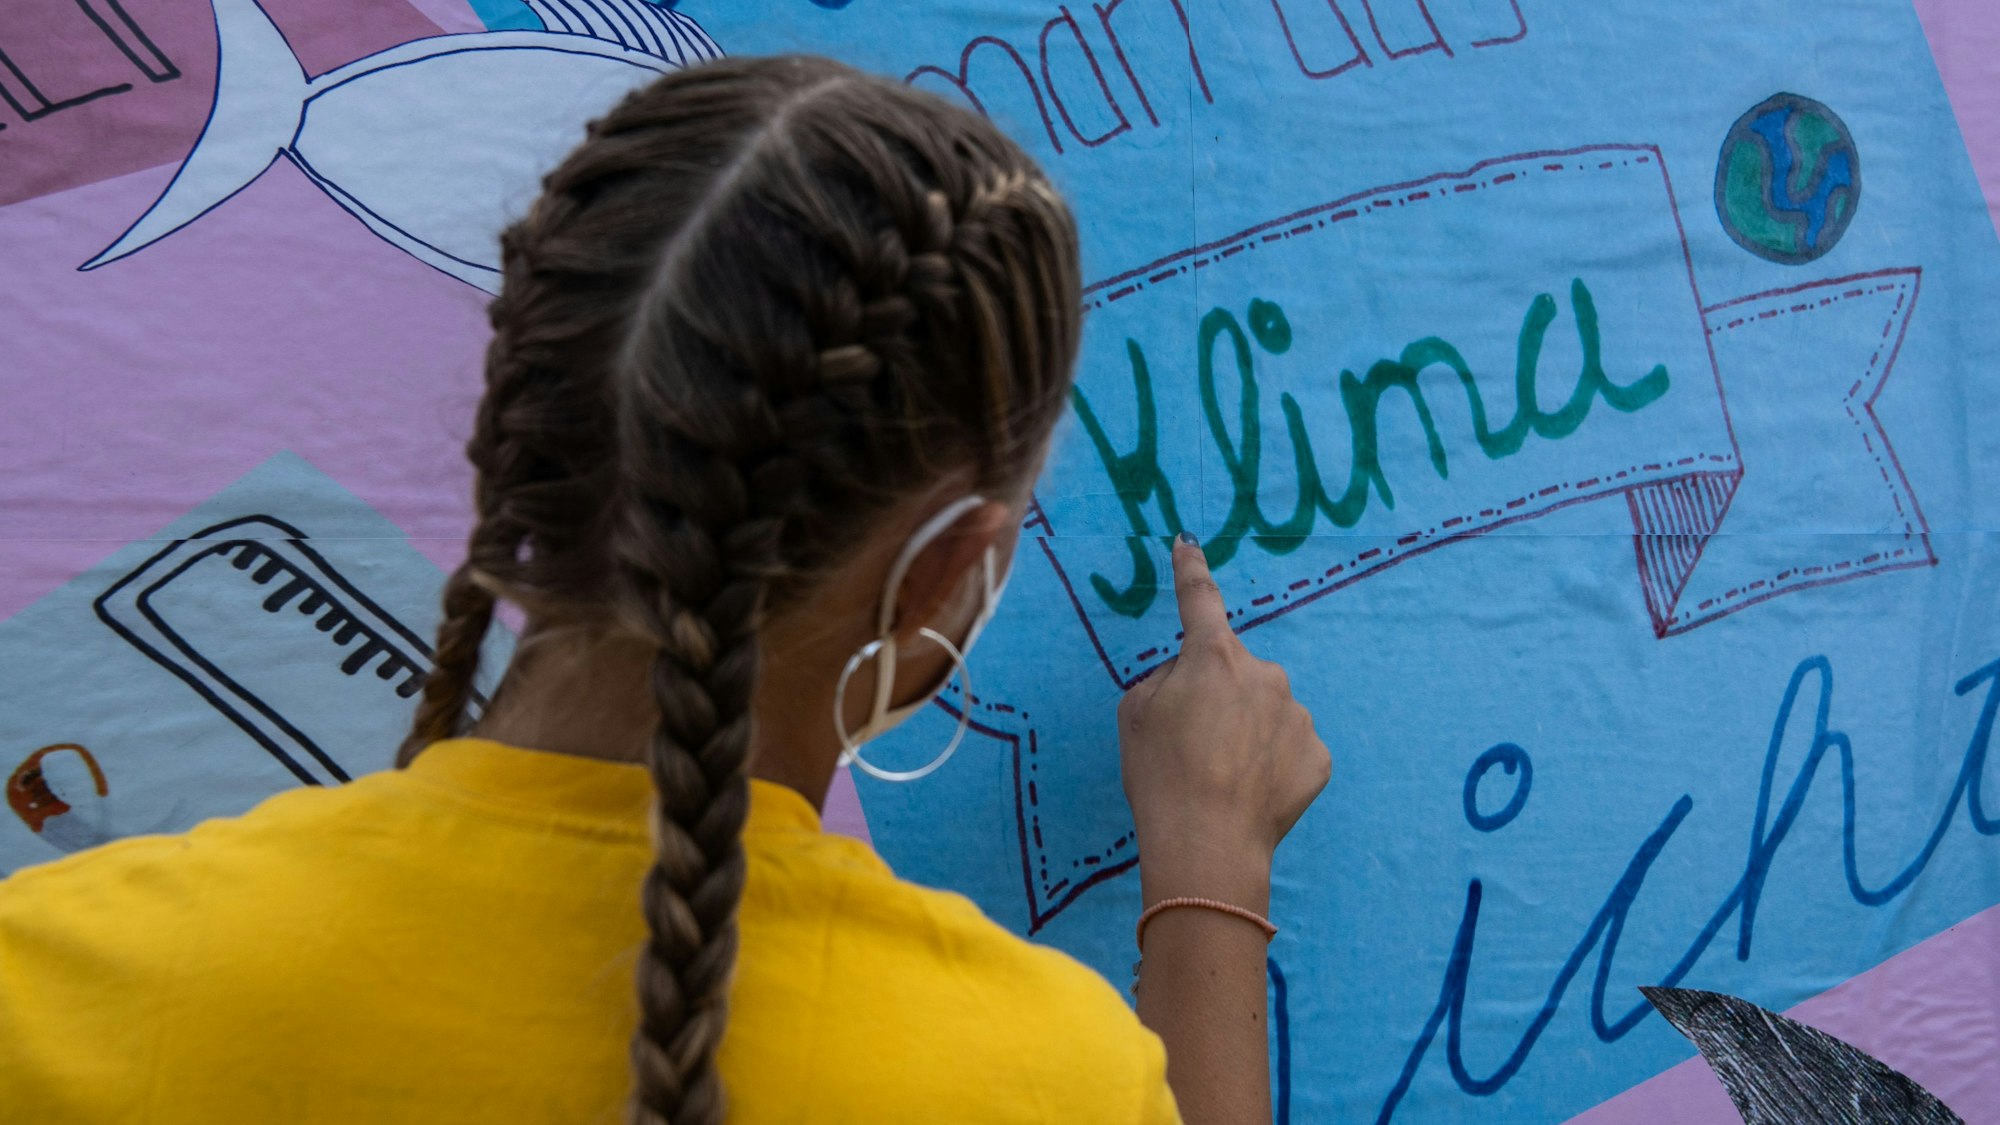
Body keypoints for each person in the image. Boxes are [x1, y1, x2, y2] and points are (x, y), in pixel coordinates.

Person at [0, 56, 1329, 1124]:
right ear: (947, 572)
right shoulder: (1036, 1079)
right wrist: (1209, 870)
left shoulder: (44, 980)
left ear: (519, 438)